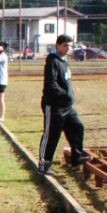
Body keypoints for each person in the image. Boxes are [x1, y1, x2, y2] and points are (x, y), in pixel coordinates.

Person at [36, 34, 91, 175]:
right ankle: (44, 164)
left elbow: (66, 81)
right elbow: (51, 84)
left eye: (70, 45)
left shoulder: (64, 61)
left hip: (67, 107)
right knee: (51, 135)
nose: (68, 48)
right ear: (58, 45)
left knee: (77, 127)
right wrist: (65, 94)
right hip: (54, 106)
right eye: (65, 45)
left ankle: (76, 157)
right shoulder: (52, 60)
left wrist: (70, 92)